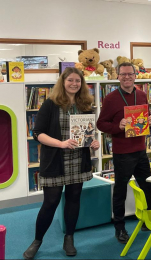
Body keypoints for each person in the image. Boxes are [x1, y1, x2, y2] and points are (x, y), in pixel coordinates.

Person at [23, 67, 100, 259]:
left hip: (78, 160)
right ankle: (37, 240)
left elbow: (88, 133)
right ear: (63, 82)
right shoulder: (50, 104)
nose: (74, 84)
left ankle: (69, 238)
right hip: (55, 160)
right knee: (50, 202)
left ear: (82, 84)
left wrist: (94, 142)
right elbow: (38, 133)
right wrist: (61, 144)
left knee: (74, 200)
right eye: (70, 80)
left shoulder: (85, 105)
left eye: (78, 81)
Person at [97, 62, 151, 244]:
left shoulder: (142, 95)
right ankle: (120, 228)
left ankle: (147, 220)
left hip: (141, 150)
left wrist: (149, 120)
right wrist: (117, 126)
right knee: (120, 192)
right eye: (123, 74)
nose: (127, 77)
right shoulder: (111, 98)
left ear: (135, 75)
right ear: (118, 76)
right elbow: (101, 124)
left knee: (148, 187)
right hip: (122, 153)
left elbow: (143, 119)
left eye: (130, 74)